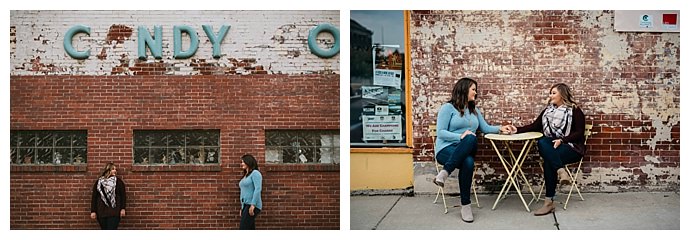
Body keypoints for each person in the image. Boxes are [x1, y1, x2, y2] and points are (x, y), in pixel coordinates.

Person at [434, 77, 514, 223]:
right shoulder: (447, 108)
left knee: (471, 138)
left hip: (467, 146)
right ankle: (466, 206)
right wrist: (460, 136)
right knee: (468, 162)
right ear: (464, 89)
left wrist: (501, 128)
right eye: (473, 90)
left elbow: (485, 128)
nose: (475, 93)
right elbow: (441, 133)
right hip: (446, 148)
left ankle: (444, 172)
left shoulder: (474, 110)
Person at [512, 83, 586, 216]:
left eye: (553, 93)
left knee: (548, 159)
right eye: (550, 93)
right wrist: (516, 130)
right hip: (553, 148)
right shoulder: (548, 111)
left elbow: (579, 132)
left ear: (562, 95)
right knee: (543, 142)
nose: (550, 96)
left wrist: (562, 140)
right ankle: (560, 171)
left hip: (571, 148)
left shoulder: (575, 110)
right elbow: (534, 126)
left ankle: (548, 203)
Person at [90, 162, 127, 229]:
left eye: (115, 169)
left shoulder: (118, 182)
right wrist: (93, 211)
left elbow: (123, 196)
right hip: (101, 212)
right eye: (113, 169)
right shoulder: (99, 182)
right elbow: (94, 197)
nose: (115, 171)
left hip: (114, 211)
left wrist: (123, 208)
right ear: (108, 170)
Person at [239, 154, 263, 230]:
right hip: (245, 205)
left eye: (243, 162)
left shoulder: (255, 173)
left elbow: (258, 189)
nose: (241, 164)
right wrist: (242, 208)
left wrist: (253, 205)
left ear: (248, 162)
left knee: (243, 228)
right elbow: (244, 192)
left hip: (252, 205)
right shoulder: (246, 175)